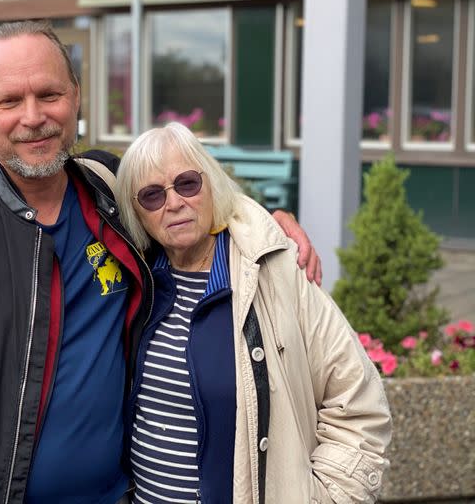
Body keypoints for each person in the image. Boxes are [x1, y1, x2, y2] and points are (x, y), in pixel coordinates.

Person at [0, 20, 322, 503]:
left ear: (76, 96)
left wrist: (267, 224)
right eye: (9, 101)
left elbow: (191, 200)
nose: (33, 116)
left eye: (49, 94)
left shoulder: (108, 188)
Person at [114, 122, 392, 504]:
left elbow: (358, 401)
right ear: (136, 212)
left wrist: (328, 497)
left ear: (210, 183)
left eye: (187, 183)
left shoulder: (275, 272)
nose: (174, 202)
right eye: (151, 196)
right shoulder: (137, 281)